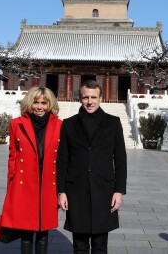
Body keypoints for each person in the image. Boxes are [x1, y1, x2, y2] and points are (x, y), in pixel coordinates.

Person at [57, 80, 127, 253]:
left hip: (104, 190)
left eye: (93, 97)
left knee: (100, 246)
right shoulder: (68, 124)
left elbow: (120, 159)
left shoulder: (113, 122)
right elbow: (62, 160)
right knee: (79, 246)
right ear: (80, 98)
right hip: (76, 190)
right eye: (86, 97)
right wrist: (61, 191)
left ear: (101, 98)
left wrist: (119, 190)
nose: (90, 102)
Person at [0, 86, 62, 254]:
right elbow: (12, 157)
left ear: (50, 104)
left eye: (44, 103)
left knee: (43, 230)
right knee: (26, 230)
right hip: (24, 183)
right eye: (35, 102)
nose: (39, 107)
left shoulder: (60, 125)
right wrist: (11, 185)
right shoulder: (16, 124)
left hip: (48, 184)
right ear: (29, 103)